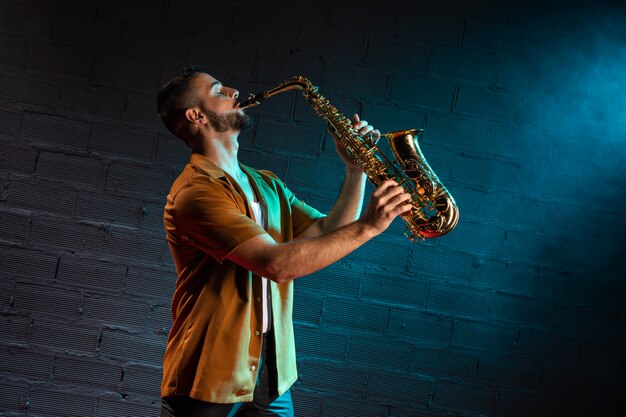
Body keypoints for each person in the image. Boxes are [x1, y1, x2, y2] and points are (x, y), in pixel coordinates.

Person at [156, 66, 412, 417]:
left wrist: (355, 171)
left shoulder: (266, 184)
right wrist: (369, 227)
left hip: (270, 375)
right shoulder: (195, 194)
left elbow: (327, 230)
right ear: (197, 115)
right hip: (208, 379)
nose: (233, 90)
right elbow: (276, 264)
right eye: (218, 90)